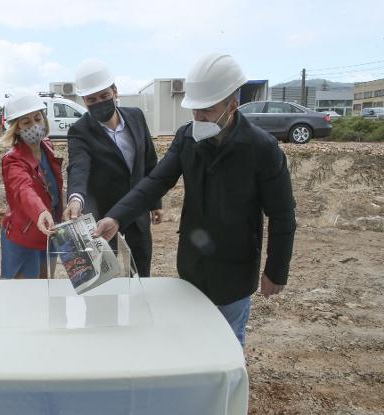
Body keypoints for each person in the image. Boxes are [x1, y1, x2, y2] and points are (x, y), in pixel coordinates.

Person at [94, 53, 296, 347]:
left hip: (235, 266)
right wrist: (116, 217)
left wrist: (276, 271)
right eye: (195, 110)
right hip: (192, 261)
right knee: (193, 338)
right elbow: (156, 181)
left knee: (228, 340)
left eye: (208, 110)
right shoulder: (187, 137)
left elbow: (282, 214)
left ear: (233, 104)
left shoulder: (262, 148)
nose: (199, 118)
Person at [63, 59, 162, 278]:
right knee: (100, 276)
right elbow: (79, 166)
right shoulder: (80, 130)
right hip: (102, 216)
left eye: (104, 96)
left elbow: (149, 161)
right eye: (92, 99)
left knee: (140, 273)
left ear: (115, 91)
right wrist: (76, 199)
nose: (99, 102)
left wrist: (155, 203)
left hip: (137, 210)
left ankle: (138, 311)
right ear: (84, 100)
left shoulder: (136, 116)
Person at [0, 94, 63, 279]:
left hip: (48, 229)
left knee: (46, 285)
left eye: (37, 118)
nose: (34, 125)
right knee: (25, 295)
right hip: (25, 234)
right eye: (26, 122)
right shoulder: (12, 160)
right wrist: (40, 212)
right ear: (16, 128)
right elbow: (23, 188)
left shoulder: (47, 147)